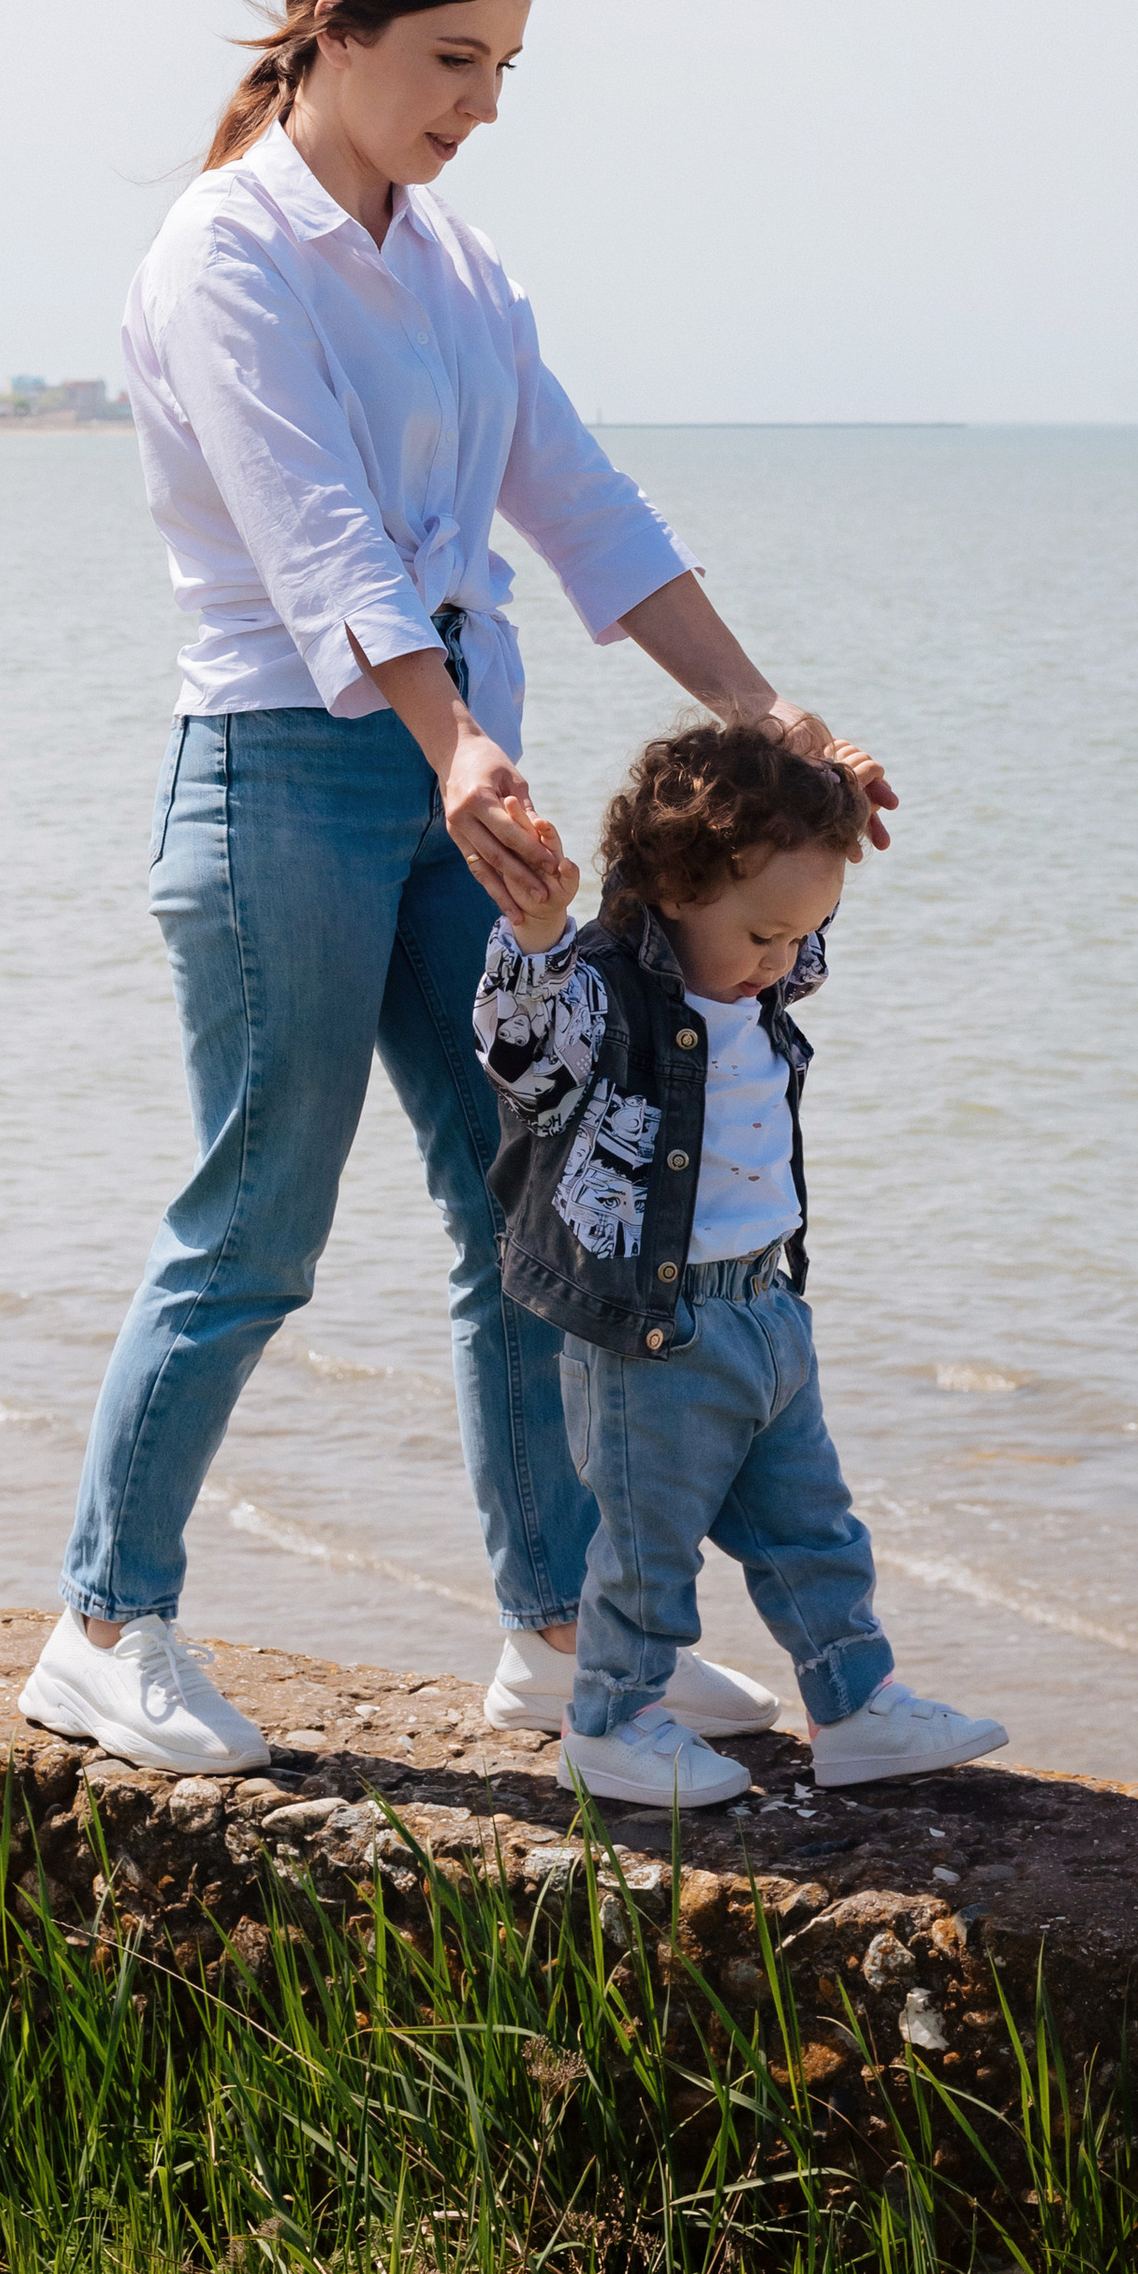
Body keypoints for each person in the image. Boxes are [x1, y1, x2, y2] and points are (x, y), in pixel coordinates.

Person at [18, 0, 897, 1774]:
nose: (478, 103)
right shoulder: (220, 253)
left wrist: (766, 714)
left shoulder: (459, 267)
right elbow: (311, 528)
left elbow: (582, 503)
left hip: (455, 778)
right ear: (327, 25)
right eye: (447, 57)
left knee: (530, 1208)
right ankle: (104, 1618)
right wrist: (447, 738)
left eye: (503, 66)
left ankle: (556, 1623)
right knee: (254, 1216)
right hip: (287, 777)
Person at [473, 720, 1010, 1808]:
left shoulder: (751, 983)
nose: (783, 961)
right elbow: (520, 1054)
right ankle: (612, 1723)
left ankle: (855, 1710)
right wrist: (534, 935)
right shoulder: (601, 992)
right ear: (675, 886)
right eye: (766, 933)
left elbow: (788, 920)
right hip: (652, 1337)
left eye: (804, 936)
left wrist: (830, 802)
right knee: (644, 1551)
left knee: (815, 1533)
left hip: (765, 1315)